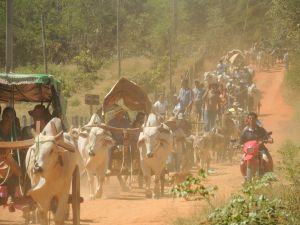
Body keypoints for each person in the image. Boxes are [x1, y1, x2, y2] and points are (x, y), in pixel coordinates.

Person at [0, 107, 22, 212]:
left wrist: (8, 155)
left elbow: (19, 146)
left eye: (12, 117)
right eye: (7, 117)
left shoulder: (16, 131)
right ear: (2, 117)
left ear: (14, 119)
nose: (9, 119)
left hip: (10, 159)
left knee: (14, 168)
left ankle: (10, 196)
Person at [107, 106, 132, 174]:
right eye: (119, 113)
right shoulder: (111, 122)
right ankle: (108, 167)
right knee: (109, 149)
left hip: (123, 141)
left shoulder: (126, 122)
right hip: (113, 142)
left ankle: (129, 166)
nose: (121, 115)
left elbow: (129, 131)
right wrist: (112, 140)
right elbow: (108, 133)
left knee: (129, 148)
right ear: (116, 114)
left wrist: (126, 139)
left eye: (122, 113)